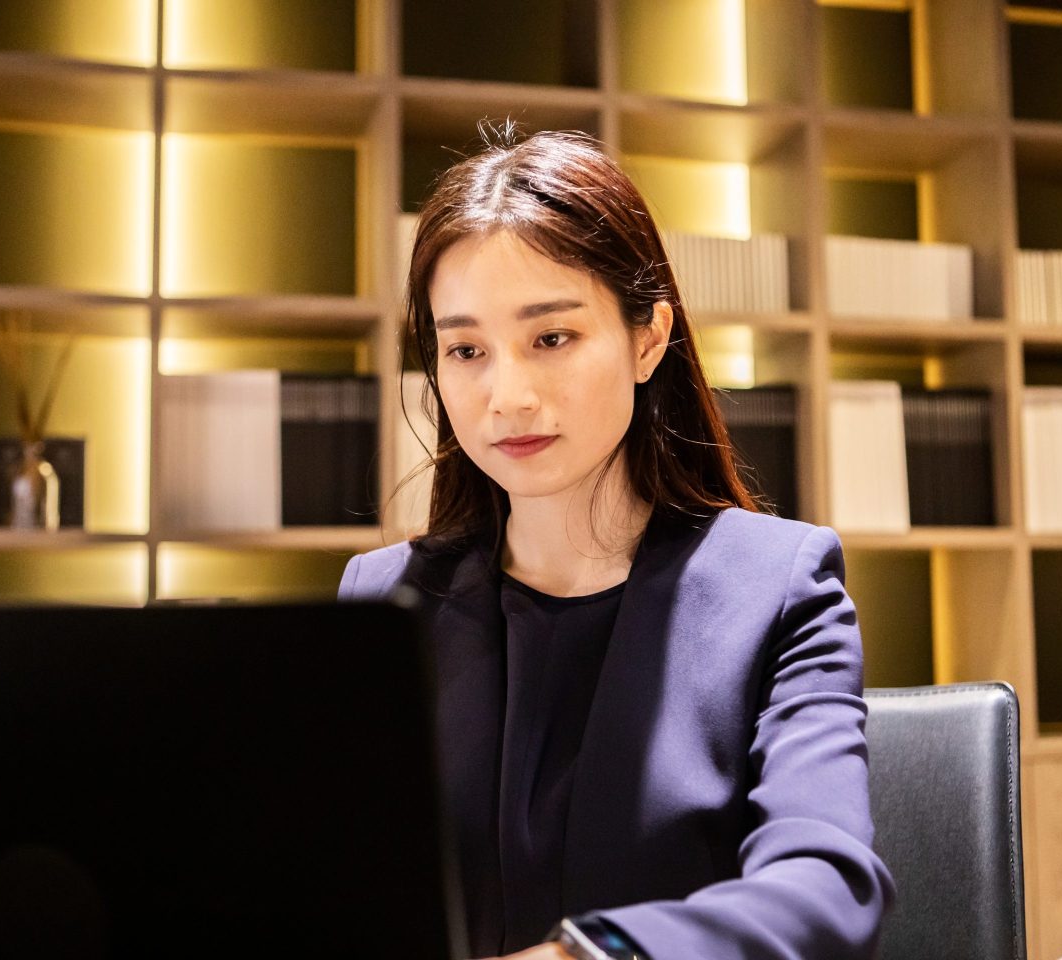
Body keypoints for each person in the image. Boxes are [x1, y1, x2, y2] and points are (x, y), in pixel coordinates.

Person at [339, 125, 894, 960]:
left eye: (551, 338)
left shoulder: (778, 586)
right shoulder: (380, 602)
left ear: (647, 338)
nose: (508, 396)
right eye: (465, 350)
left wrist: (584, 957)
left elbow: (826, 888)